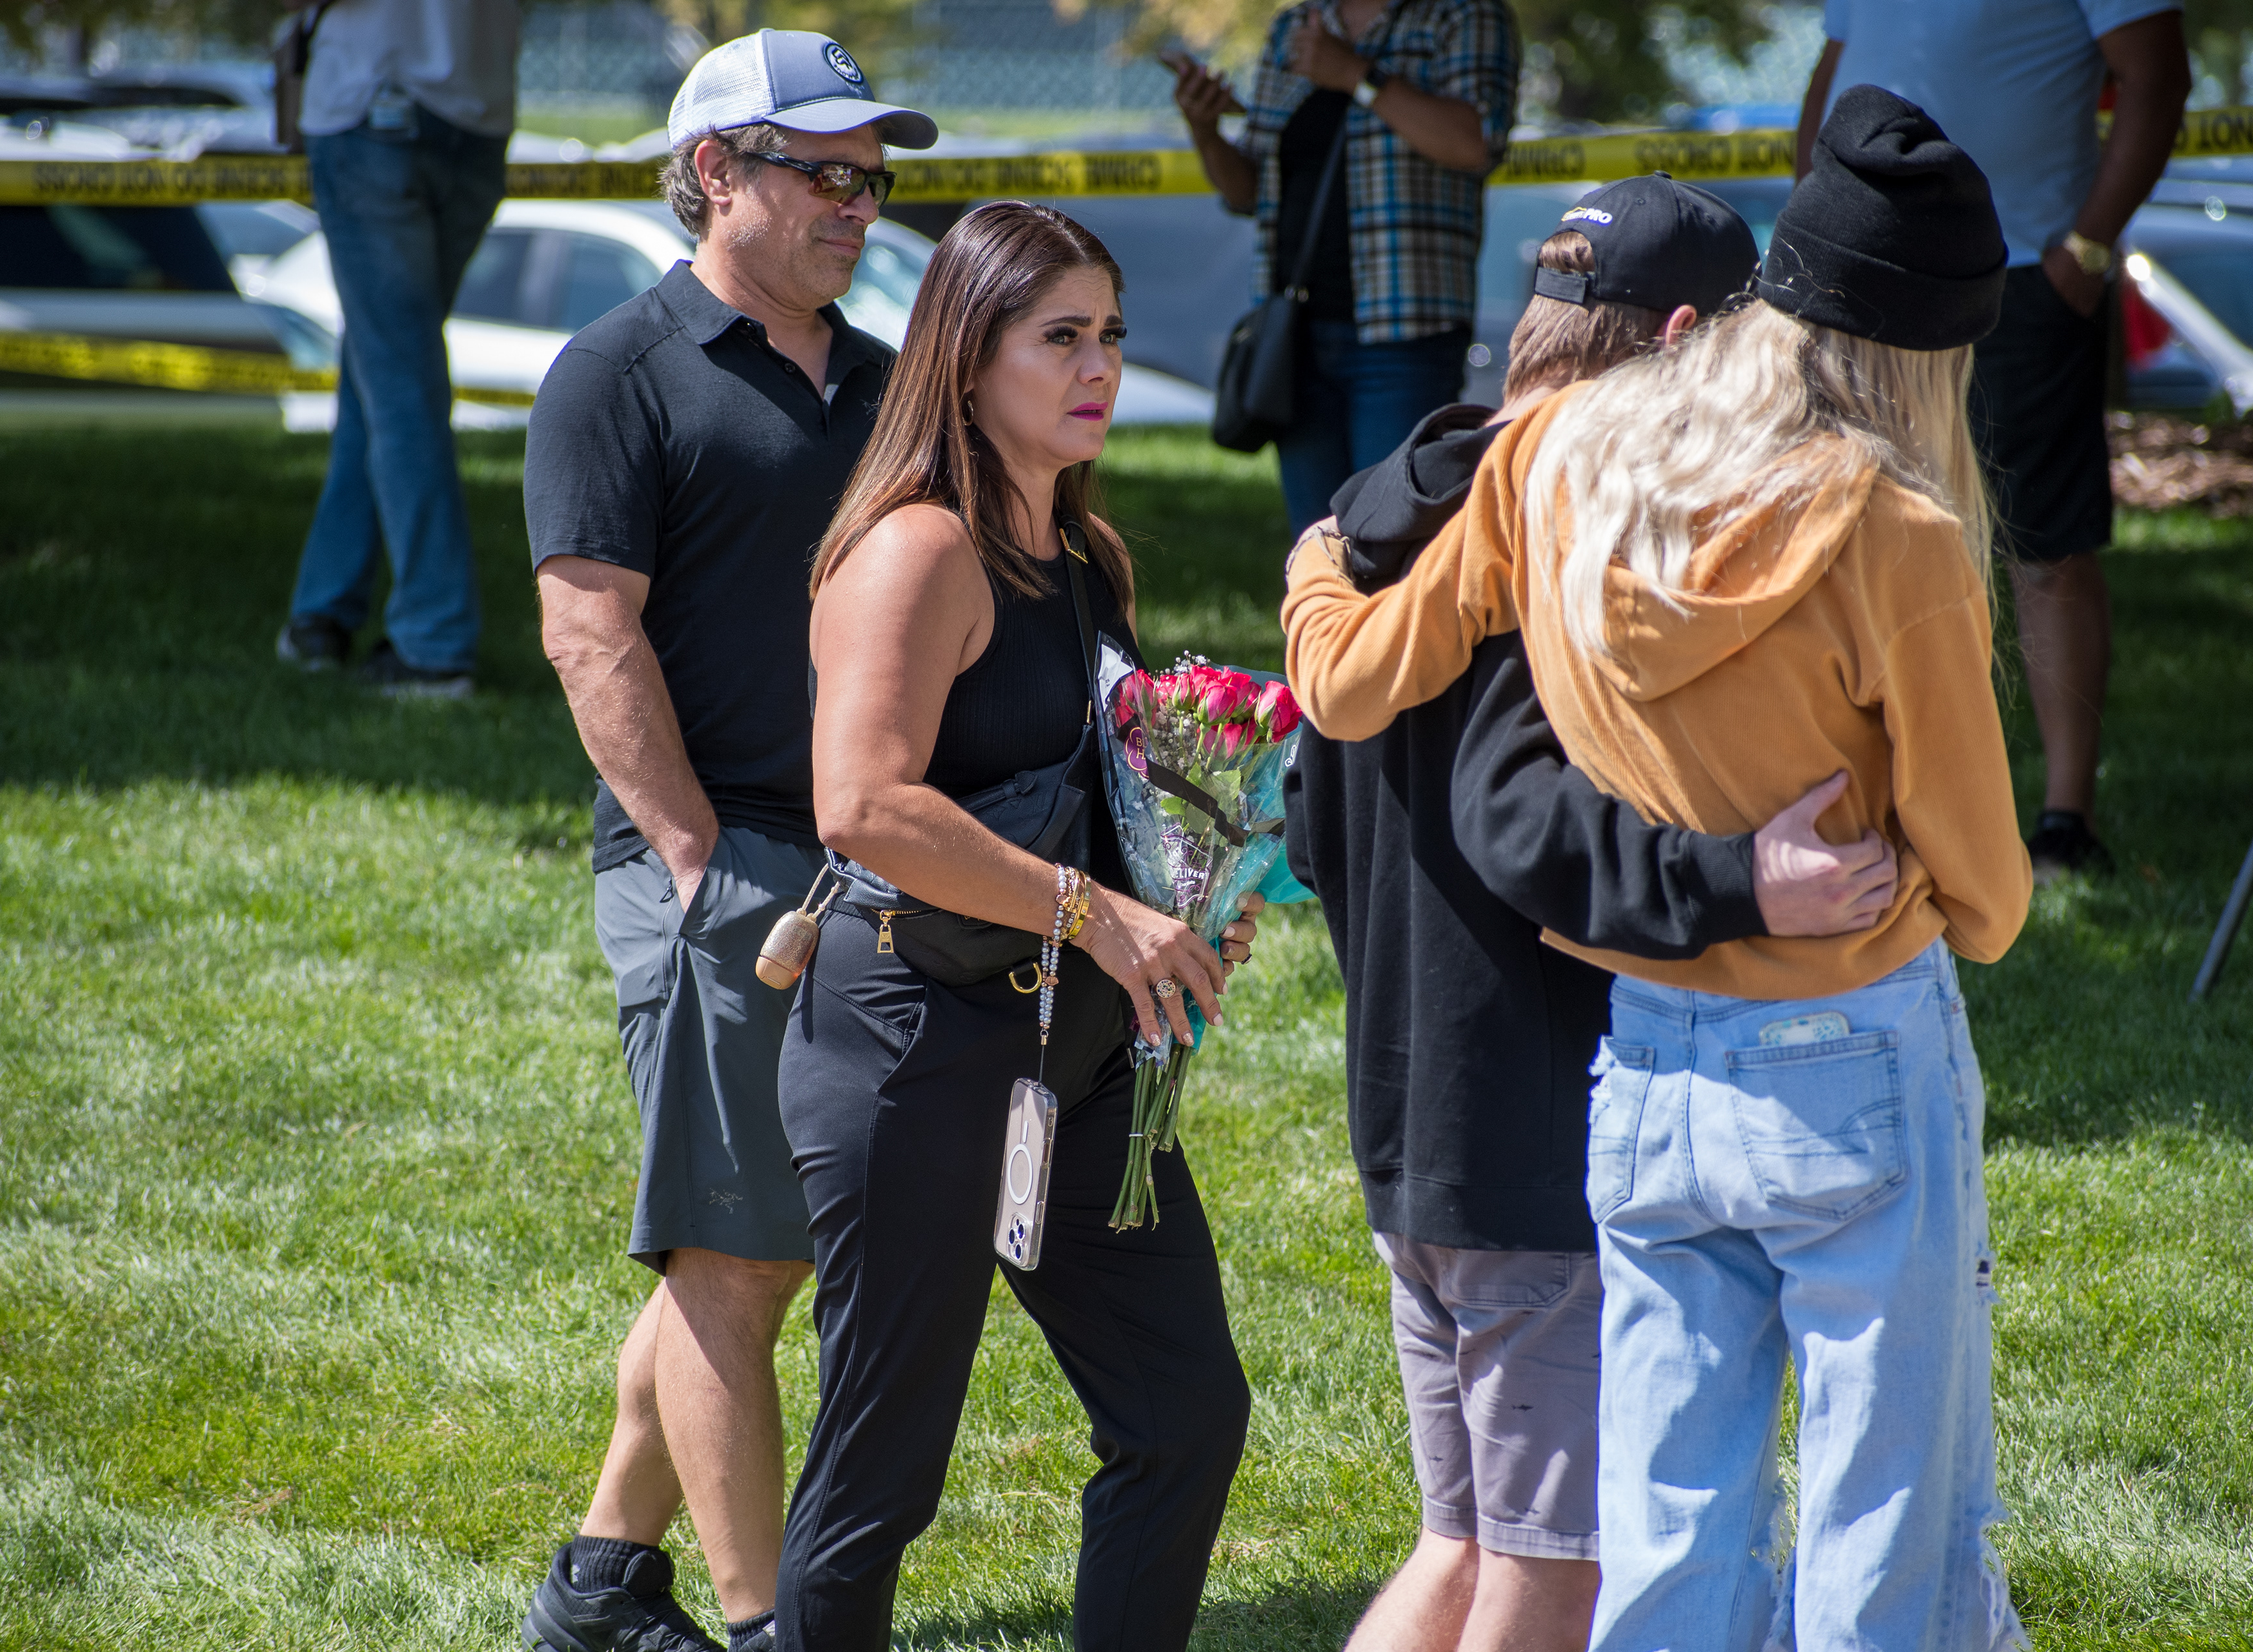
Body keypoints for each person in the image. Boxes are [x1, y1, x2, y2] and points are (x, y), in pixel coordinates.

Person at [1283, 86, 2035, 1650]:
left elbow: (1350, 685)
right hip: (1847, 1040)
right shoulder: (1892, 526)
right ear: (1926, 349)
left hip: (1640, 1063)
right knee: (1878, 1525)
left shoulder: (1555, 462)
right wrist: (1920, 889)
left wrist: (1310, 555)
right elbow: (1988, 884)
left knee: (1666, 1533)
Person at [776, 200, 1260, 1652]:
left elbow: (1091, 787)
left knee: (1183, 1411)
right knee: (880, 1480)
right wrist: (1090, 909)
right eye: (1060, 336)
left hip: (1077, 1055)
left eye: (1110, 332)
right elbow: (861, 804)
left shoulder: (1089, 556)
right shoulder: (918, 552)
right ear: (968, 357)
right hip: (913, 1042)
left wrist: (1179, 912)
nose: (1098, 363)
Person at [520, 32, 936, 1652]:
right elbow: (587, 635)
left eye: (872, 178)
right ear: (713, 174)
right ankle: (774, 1625)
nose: (857, 204)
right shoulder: (615, 371)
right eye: (821, 173)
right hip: (721, 864)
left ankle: (603, 1579)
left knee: (747, 1249)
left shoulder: (889, 377)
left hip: (870, 853)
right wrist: (698, 862)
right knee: (739, 1258)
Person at [1796, 0, 2190, 881]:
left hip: (2022, 282)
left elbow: (2160, 78)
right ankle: (1877, 798)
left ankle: (2062, 824)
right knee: (1858, 541)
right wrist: (1816, 238)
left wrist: (2085, 252)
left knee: (2044, 550)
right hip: (1873, 284)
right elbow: (1836, 74)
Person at [1170, 0, 1520, 531]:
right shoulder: (1296, 25)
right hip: (1297, 340)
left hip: (1405, 338)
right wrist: (1205, 130)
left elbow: (1473, 142)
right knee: (1316, 551)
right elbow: (1249, 192)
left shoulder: (1462, 15)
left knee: (1395, 546)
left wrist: (1356, 74)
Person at [272, 0, 520, 697]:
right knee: (382, 372)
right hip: (479, 114)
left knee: (399, 382)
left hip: (374, 101)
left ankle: (434, 647)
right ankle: (320, 615)